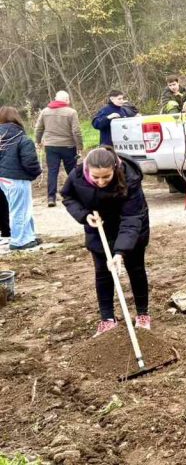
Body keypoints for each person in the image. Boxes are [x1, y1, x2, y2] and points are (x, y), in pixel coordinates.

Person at [62, 147, 152, 335]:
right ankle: (107, 319)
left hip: (132, 225)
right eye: (96, 178)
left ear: (115, 169)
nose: (101, 182)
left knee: (135, 268)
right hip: (98, 226)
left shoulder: (130, 178)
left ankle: (143, 314)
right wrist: (84, 215)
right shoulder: (77, 175)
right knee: (103, 272)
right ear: (87, 169)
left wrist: (119, 252)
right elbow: (68, 197)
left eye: (106, 177)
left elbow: (131, 218)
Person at [0, 106, 42, 250]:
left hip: (3, 179)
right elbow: (30, 162)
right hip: (17, 178)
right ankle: (18, 241)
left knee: (23, 208)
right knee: (19, 210)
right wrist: (35, 173)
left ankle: (29, 236)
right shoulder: (22, 138)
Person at [34, 90, 84, 206]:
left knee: (52, 171)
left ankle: (51, 198)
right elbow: (76, 131)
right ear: (66, 99)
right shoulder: (71, 112)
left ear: (56, 99)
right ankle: (78, 194)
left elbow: (38, 128)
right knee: (72, 171)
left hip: (51, 146)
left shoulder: (45, 111)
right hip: (68, 146)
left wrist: (37, 141)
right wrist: (79, 146)